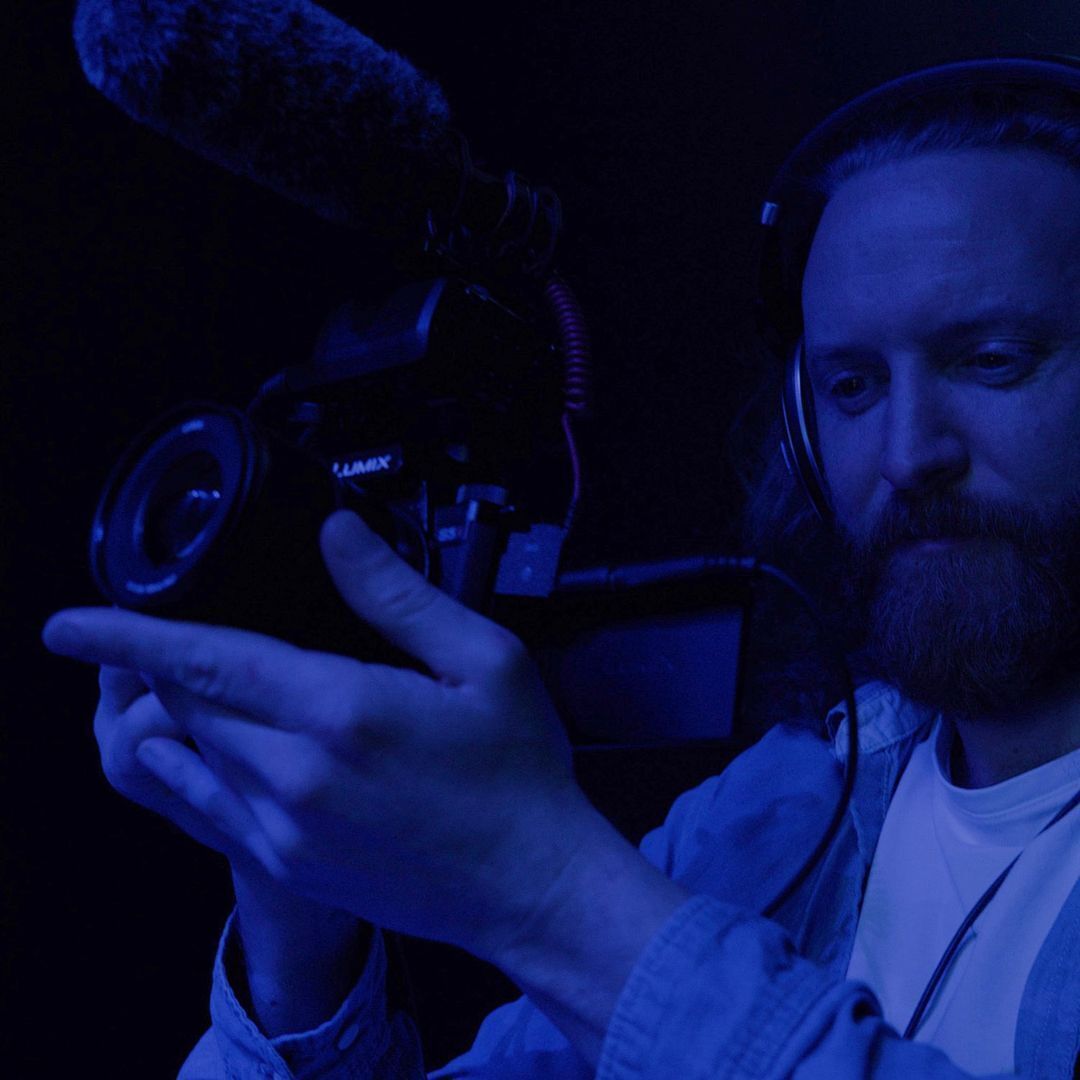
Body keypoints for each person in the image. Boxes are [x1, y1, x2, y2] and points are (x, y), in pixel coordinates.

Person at [43, 57, 1080, 1078]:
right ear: (806, 432)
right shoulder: (787, 805)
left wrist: (540, 887)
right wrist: (294, 905)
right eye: (850, 386)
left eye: (992, 360)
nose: (908, 455)